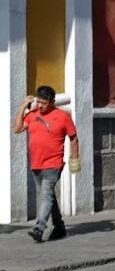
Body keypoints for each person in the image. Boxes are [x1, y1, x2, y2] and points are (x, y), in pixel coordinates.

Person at [12, 86, 79, 243]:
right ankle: (59, 227)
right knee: (48, 196)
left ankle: (39, 228)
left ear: (52, 102)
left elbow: (74, 138)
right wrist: (23, 106)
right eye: (38, 102)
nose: (40, 105)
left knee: (46, 194)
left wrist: (74, 159)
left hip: (53, 163)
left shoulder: (63, 117)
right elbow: (16, 129)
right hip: (36, 163)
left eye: (44, 103)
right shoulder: (32, 115)